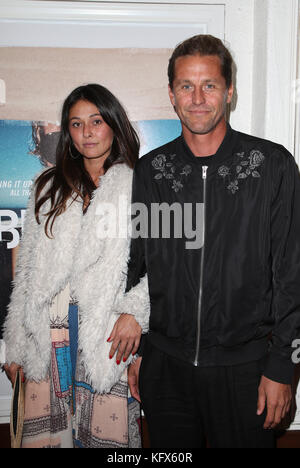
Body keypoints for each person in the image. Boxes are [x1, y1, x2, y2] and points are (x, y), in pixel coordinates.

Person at [127, 35, 300, 448]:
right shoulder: (153, 170)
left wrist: (282, 367)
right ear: (172, 94)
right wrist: (138, 355)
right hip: (166, 369)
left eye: (210, 85)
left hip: (247, 372)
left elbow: (293, 273)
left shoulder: (272, 166)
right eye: (187, 85)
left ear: (230, 91)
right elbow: (139, 265)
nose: (198, 97)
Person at [2, 83, 150, 448]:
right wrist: (15, 345)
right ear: (67, 131)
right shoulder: (47, 187)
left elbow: (161, 267)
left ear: (113, 124)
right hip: (46, 334)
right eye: (76, 123)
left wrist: (138, 318)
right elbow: (27, 273)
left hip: (107, 332)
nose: (87, 133)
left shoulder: (142, 186)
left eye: (96, 121)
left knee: (105, 438)